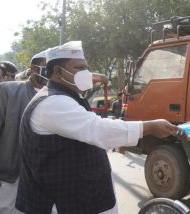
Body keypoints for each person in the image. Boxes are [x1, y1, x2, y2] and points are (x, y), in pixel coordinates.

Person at [15, 41, 178, 214]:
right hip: (58, 203)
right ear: (57, 72)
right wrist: (150, 127)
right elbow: (98, 129)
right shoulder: (53, 103)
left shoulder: (69, 95)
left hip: (83, 198)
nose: (86, 73)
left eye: (86, 67)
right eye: (79, 67)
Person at [0, 50, 48, 213]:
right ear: (33, 68)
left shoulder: (57, 96)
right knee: (5, 209)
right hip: (10, 172)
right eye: (45, 67)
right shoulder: (8, 91)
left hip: (42, 174)